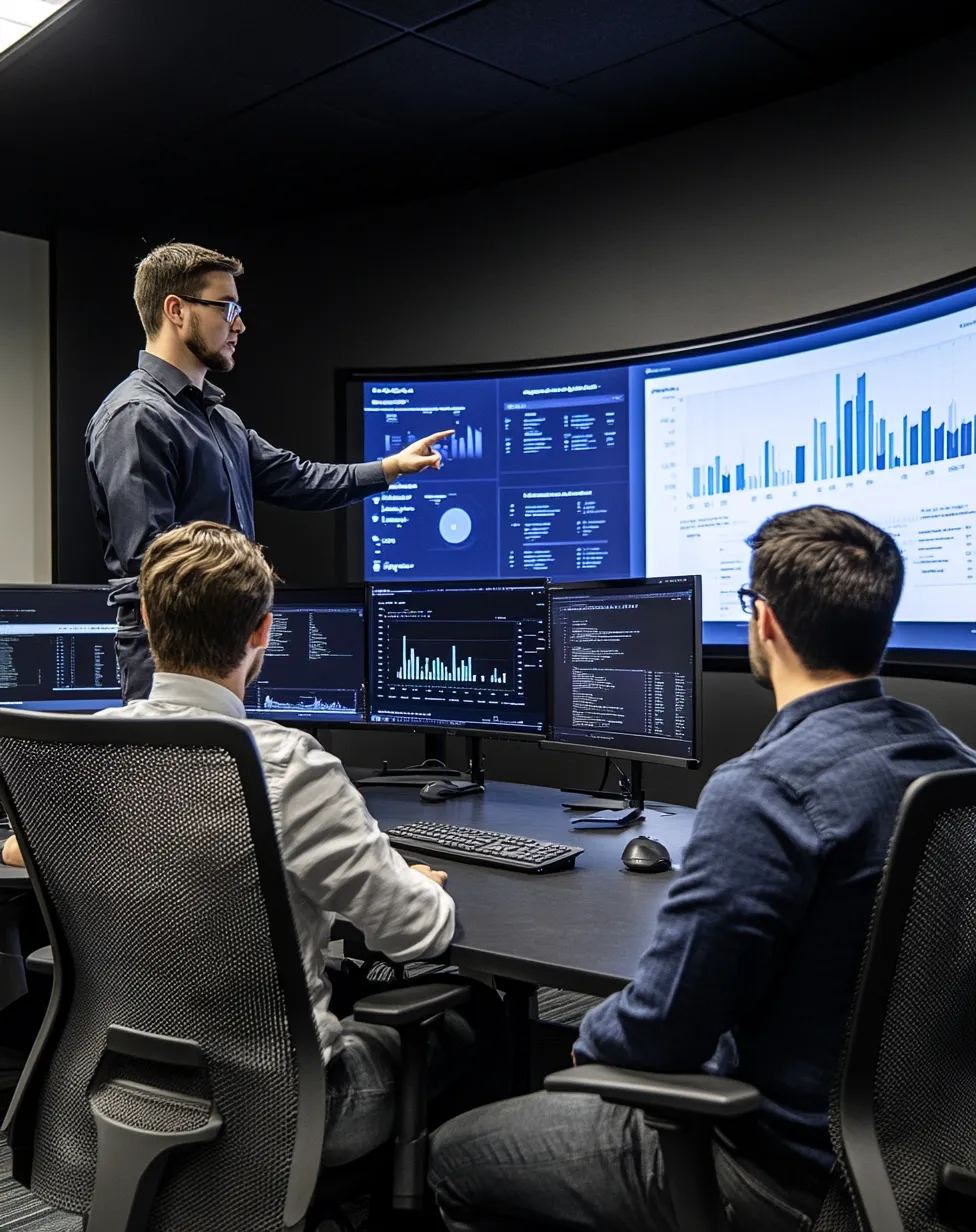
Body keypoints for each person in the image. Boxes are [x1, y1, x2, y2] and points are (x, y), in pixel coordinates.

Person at [428, 505, 976, 1232]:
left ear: (765, 623)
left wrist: (586, 1040)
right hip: (918, 1160)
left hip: (774, 1170)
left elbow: (662, 1035)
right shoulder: (949, 764)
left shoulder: (767, 790)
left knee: (454, 1156)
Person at [88, 519, 502, 1166]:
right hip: (280, 1112)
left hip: (122, 1094)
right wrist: (415, 886)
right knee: (476, 1013)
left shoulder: (88, 753)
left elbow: (37, 848)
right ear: (262, 631)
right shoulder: (289, 766)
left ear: (143, 616)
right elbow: (416, 936)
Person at [85, 241, 451, 702]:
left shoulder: (218, 420)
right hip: (171, 662)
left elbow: (297, 479)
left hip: (224, 651)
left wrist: (391, 468)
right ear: (176, 310)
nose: (239, 324)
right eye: (227, 307)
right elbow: (150, 565)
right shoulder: (136, 416)